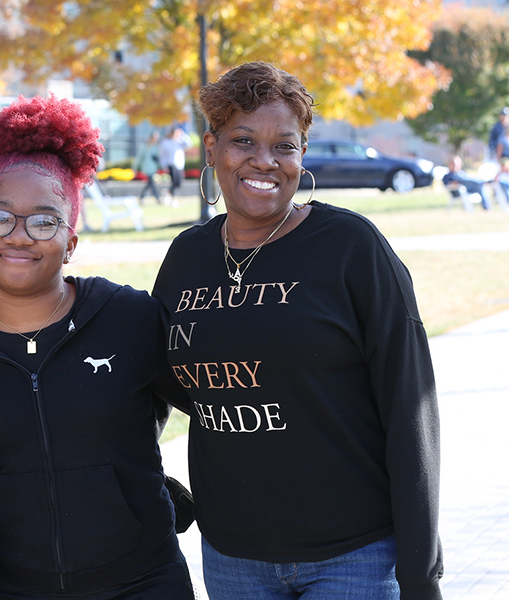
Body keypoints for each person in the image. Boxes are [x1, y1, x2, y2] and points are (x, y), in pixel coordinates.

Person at [152, 61, 442, 599]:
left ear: (301, 155)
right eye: (243, 140)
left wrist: (421, 570)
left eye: (284, 146)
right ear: (211, 148)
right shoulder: (187, 257)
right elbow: (160, 382)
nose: (264, 161)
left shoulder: (350, 248)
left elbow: (410, 402)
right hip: (232, 555)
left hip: (354, 554)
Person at [0, 94, 194, 599]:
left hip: (143, 580)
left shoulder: (130, 318)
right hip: (15, 586)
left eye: (44, 221)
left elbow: (216, 412)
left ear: (71, 241)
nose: (18, 236)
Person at [157, 126, 191, 203]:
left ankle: (168, 193)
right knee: (174, 181)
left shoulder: (180, 142)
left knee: (178, 183)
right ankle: (173, 198)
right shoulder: (166, 142)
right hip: (171, 165)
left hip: (179, 165)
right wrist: (164, 165)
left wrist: (182, 135)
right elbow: (162, 155)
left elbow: (189, 143)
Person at [134, 130, 164, 205]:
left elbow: (159, 159)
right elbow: (140, 158)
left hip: (153, 169)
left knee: (149, 184)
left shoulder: (156, 147)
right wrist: (135, 168)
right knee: (151, 183)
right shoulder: (144, 147)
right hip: (146, 168)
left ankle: (142, 197)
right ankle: (157, 198)